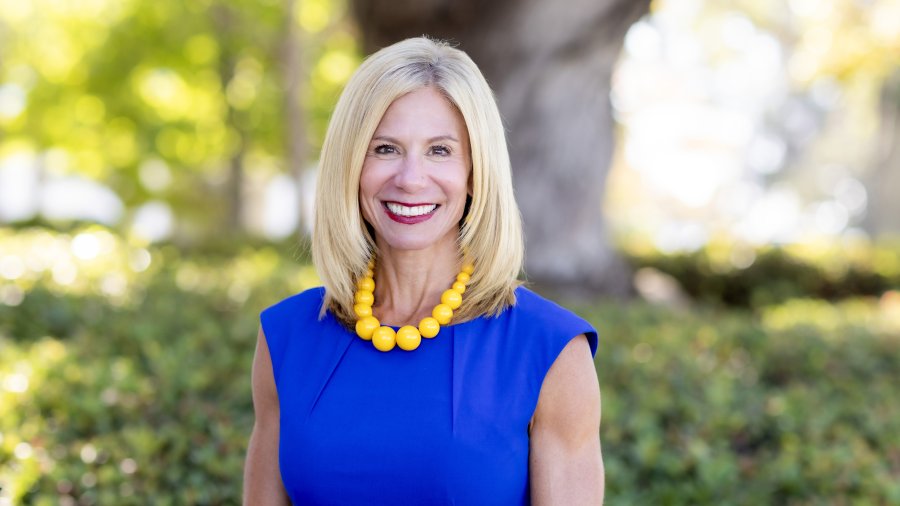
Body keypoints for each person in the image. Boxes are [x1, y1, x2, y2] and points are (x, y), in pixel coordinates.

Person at [243, 36, 603, 505]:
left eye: (439, 151)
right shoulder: (286, 336)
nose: (411, 179)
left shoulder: (550, 350)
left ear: (475, 171)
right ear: (350, 165)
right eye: (385, 149)